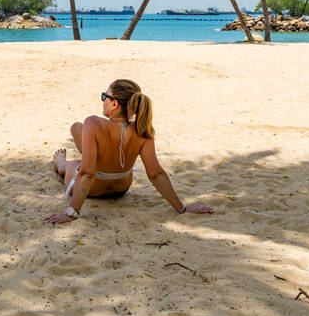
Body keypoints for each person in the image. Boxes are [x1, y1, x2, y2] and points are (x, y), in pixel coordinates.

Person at [45, 78, 213, 224]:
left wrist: (71, 214)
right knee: (77, 129)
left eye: (105, 96)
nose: (102, 100)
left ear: (114, 103)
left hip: (94, 189)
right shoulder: (142, 130)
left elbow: (87, 174)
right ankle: (87, 161)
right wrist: (182, 208)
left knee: (75, 164)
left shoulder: (93, 123)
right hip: (122, 187)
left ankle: (60, 164)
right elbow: (156, 174)